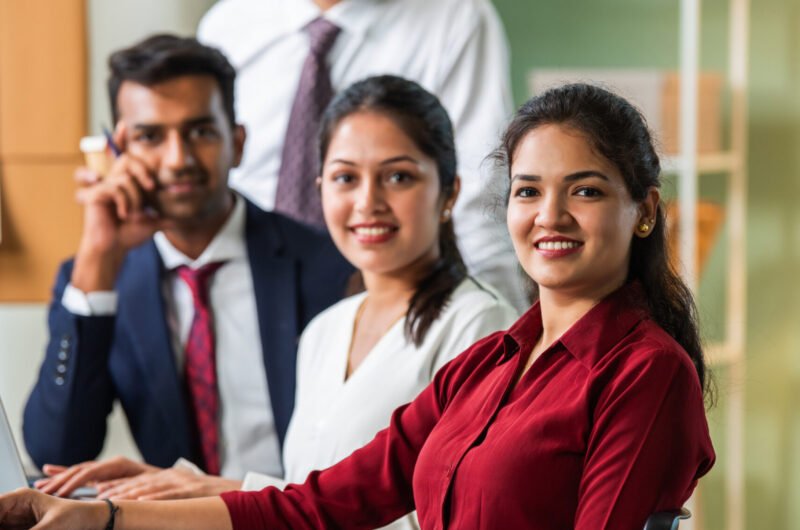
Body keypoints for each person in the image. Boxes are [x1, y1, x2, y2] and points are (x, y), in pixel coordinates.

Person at [0, 83, 716, 529]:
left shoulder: (644, 371)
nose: (549, 215)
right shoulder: (488, 365)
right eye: (529, 191)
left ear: (644, 211)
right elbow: (321, 505)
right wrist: (101, 518)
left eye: (585, 190)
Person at [31, 77, 517, 530]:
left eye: (398, 178)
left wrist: (219, 491)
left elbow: (453, 514)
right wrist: (178, 487)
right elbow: (307, 503)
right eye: (346, 178)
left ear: (449, 192)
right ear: (320, 189)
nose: (368, 202)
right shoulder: (326, 330)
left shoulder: (482, 327)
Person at [21, 34, 352, 489]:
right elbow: (57, 452)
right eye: (149, 136)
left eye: (200, 132)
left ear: (237, 144)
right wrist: (99, 257)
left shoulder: (331, 266)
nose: (178, 159)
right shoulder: (101, 277)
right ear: (119, 151)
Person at [197, 0, 529, 311]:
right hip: (252, 294)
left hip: (403, 299)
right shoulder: (228, 26)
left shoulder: (455, 16)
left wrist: (498, 332)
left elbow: (477, 193)